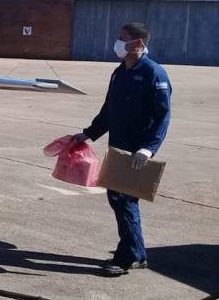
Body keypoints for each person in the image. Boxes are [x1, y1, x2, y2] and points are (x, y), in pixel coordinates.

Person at [73, 22, 171, 276]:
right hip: (117, 148)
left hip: (136, 153)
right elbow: (108, 111)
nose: (116, 43)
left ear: (138, 44)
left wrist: (149, 149)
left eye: (122, 38)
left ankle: (130, 256)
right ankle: (134, 251)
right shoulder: (119, 72)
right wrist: (88, 134)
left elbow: (162, 116)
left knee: (124, 200)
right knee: (119, 199)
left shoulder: (154, 74)